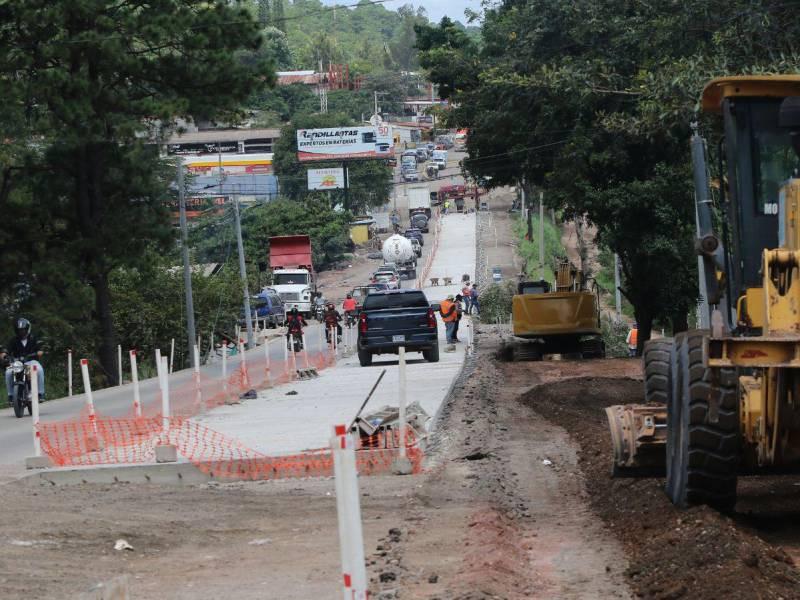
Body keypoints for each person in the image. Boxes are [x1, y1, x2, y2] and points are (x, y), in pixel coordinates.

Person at [1, 317, 45, 401]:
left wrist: (39, 352)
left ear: (27, 329)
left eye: (23, 330)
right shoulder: (13, 340)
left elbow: (40, 349)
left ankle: (41, 393)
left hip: (31, 361)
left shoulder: (34, 338)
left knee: (39, 370)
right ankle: (11, 395)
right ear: (16, 330)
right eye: (19, 330)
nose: (21, 332)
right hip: (17, 362)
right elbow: (6, 350)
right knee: (8, 372)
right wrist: (4, 355)